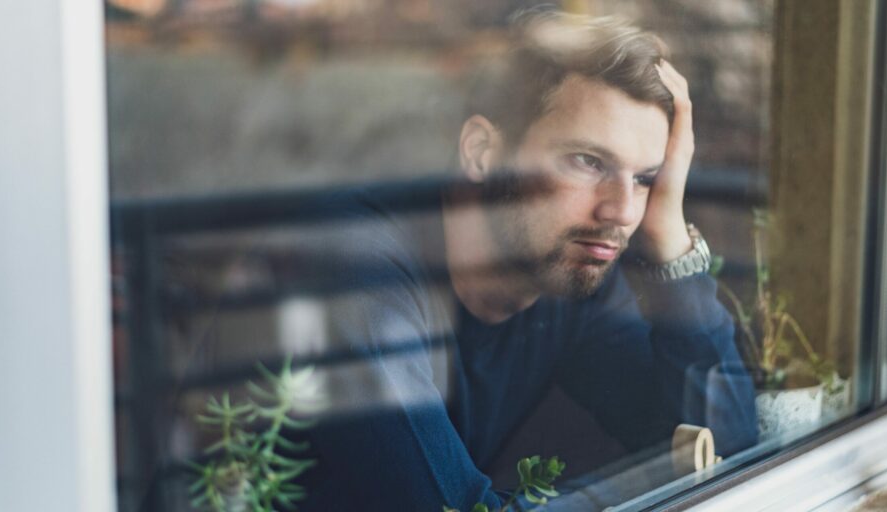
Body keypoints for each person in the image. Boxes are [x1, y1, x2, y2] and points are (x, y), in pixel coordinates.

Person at [292, 10, 757, 510]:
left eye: (645, 178)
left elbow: (726, 449)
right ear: (482, 152)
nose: (622, 211)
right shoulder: (358, 270)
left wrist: (668, 236)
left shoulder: (570, 272)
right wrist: (634, 486)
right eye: (588, 161)